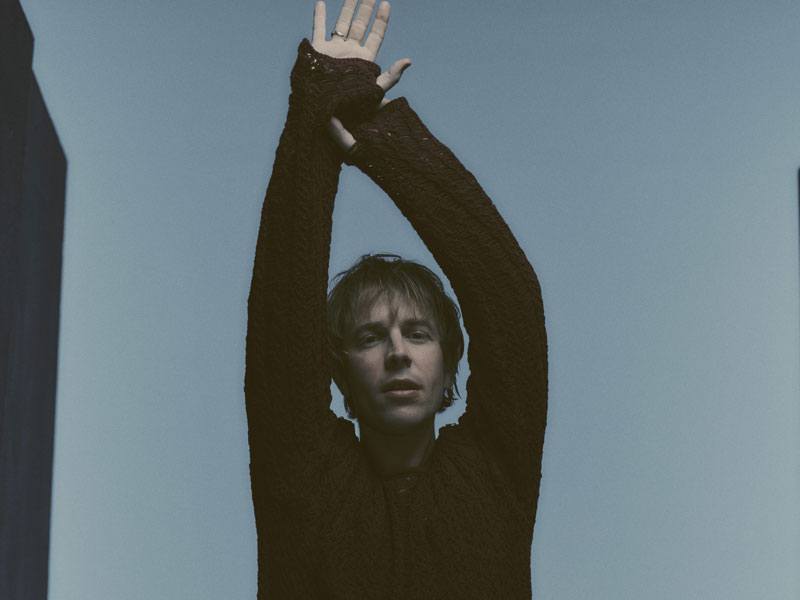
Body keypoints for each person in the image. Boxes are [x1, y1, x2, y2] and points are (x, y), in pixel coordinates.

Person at [244, 0, 548, 597]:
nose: (398, 353)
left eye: (418, 332)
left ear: (450, 364)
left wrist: (385, 145)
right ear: (338, 372)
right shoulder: (304, 485)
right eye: (369, 337)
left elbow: (509, 299)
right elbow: (283, 319)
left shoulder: (494, 476)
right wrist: (315, 119)